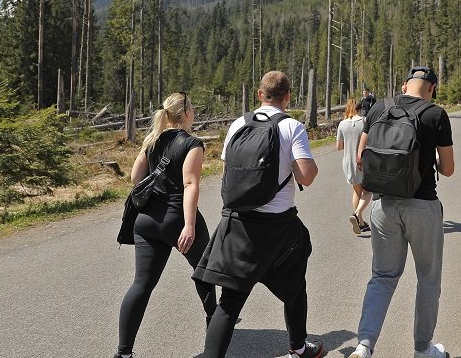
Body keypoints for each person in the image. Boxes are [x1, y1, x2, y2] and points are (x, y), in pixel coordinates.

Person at [194, 71, 322, 358]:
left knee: (229, 302)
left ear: (259, 94)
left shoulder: (239, 124)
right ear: (288, 96)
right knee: (295, 288)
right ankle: (299, 348)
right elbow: (307, 176)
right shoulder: (292, 127)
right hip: (279, 228)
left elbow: (228, 173)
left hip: (238, 224)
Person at [349, 67, 455, 358]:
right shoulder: (435, 114)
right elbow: (447, 169)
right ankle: (423, 350)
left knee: (382, 277)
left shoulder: (380, 108)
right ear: (431, 88)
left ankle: (364, 345)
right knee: (428, 279)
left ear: (405, 85)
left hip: (384, 206)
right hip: (422, 205)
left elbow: (361, 159)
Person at [114, 92, 216, 358]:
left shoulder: (153, 140)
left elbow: (136, 178)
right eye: (192, 107)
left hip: (146, 220)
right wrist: (190, 226)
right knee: (205, 270)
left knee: (141, 285)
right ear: (186, 114)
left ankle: (123, 353)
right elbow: (190, 184)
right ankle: (215, 326)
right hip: (177, 218)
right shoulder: (192, 143)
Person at [337, 96, 371, 234]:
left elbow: (339, 146)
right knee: (368, 191)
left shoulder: (342, 124)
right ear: (361, 109)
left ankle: (361, 223)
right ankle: (357, 214)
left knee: (357, 191)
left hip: (348, 162)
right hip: (363, 161)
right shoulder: (365, 121)